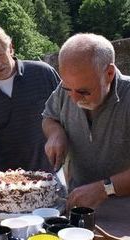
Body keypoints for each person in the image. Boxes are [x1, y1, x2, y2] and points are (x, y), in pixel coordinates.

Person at [42, 33, 130, 210]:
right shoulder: (65, 88)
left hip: (124, 210)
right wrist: (55, 133)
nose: (74, 99)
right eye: (68, 89)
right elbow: (49, 117)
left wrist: (105, 188)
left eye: (83, 92)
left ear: (109, 73)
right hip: (77, 202)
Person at [0, 26, 60, 185]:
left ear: (11, 48)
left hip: (51, 172)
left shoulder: (43, 73)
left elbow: (69, 113)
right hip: (6, 179)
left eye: (0, 55)